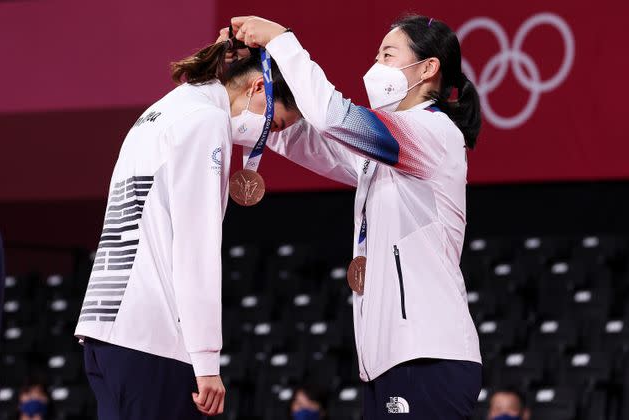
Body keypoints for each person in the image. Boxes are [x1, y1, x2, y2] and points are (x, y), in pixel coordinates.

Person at [229, 14, 483, 419]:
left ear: (428, 68)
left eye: (388, 54)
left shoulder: (434, 134)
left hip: (428, 354)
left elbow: (334, 117)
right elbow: (302, 137)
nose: (376, 66)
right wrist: (241, 83)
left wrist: (282, 40)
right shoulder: (383, 155)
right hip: (386, 360)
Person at [73, 36, 300, 419]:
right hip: (152, 337)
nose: (267, 135)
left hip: (106, 328)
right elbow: (196, 248)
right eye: (273, 122)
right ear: (257, 86)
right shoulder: (206, 120)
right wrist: (207, 360)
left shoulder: (166, 107)